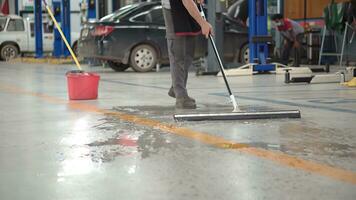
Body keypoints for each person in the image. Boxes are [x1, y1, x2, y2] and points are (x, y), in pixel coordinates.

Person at [162, 0, 212, 109]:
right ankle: (181, 97)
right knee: (178, 54)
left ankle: (176, 88)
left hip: (185, 7)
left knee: (188, 54)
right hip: (173, 10)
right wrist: (203, 23)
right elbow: (187, 1)